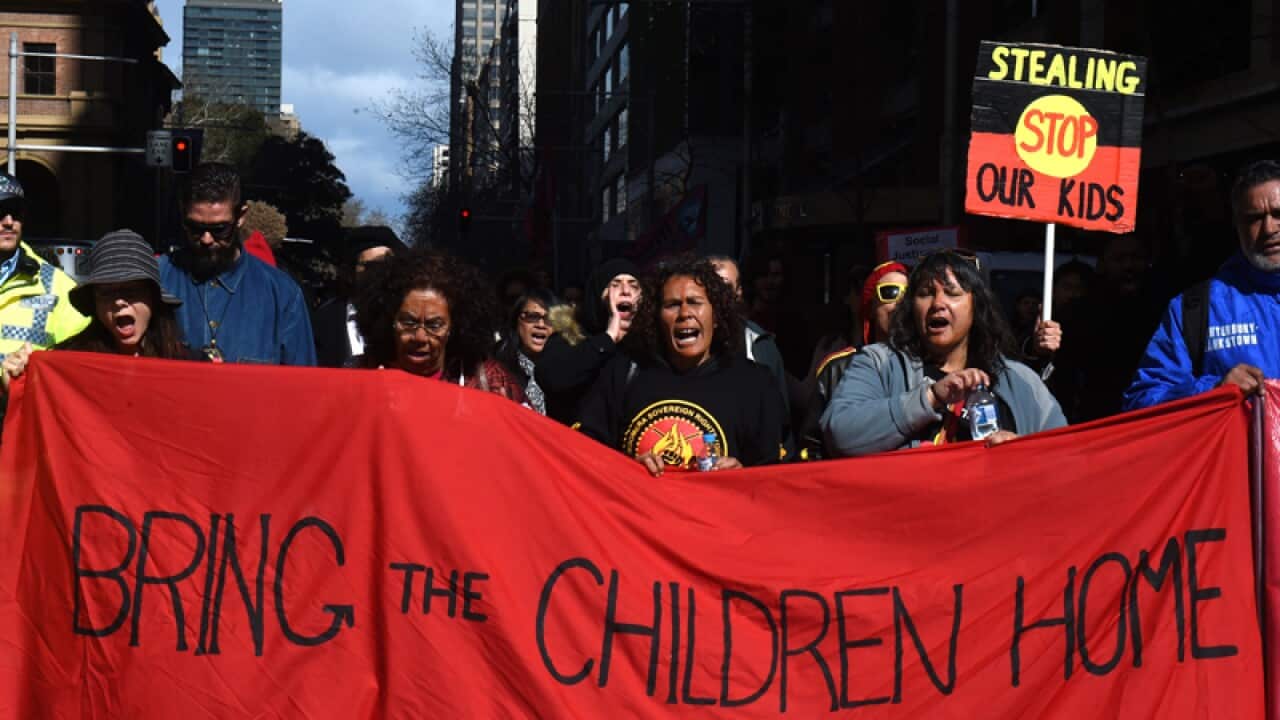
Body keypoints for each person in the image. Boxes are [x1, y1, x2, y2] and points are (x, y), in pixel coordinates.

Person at [821, 250, 1066, 456]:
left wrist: (1022, 451)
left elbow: (1063, 457)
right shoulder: (878, 362)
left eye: (952, 293)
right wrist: (929, 398)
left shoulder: (1020, 380)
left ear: (976, 306)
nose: (938, 303)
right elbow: (840, 433)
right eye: (926, 293)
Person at [577, 256, 785, 476]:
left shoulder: (754, 384)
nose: (685, 314)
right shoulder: (623, 373)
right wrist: (628, 467)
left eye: (695, 302)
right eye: (672, 305)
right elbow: (586, 456)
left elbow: (772, 481)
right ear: (656, 317)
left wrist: (742, 474)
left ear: (716, 316)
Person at [1124, 160, 1280, 409]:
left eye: (1278, 214)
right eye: (1254, 218)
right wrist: (1215, 390)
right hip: (1238, 449)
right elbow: (1143, 400)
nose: (1269, 228)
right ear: (1237, 225)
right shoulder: (1194, 308)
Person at [160, 162, 316, 365]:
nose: (207, 239)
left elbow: (303, 385)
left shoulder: (283, 294)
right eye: (195, 228)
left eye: (220, 229)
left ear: (241, 217)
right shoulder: (157, 279)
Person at [355, 248, 525, 402]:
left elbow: (531, 432)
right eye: (408, 322)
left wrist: (506, 419)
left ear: (455, 327)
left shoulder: (490, 380)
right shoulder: (361, 374)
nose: (420, 337)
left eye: (434, 325)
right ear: (388, 321)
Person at [800, 261, 908, 458]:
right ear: (871, 306)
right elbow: (813, 445)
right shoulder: (836, 367)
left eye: (908, 295)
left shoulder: (927, 364)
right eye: (890, 292)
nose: (900, 303)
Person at [535, 258, 641, 424]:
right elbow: (552, 378)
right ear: (599, 293)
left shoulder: (648, 345)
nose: (626, 290)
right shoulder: (571, 337)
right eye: (616, 284)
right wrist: (609, 338)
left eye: (634, 285)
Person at [0, 172, 89, 366]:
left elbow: (81, 362)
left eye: (16, 213)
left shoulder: (57, 285)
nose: (8, 222)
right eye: (0, 211)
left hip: (23, 396)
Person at [708, 254, 794, 452]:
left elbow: (781, 429)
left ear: (739, 293)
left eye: (726, 288)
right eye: (711, 287)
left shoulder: (760, 345)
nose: (719, 296)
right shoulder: (680, 345)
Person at [312, 225, 407, 368]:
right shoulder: (325, 319)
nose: (382, 273)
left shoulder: (409, 315)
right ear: (351, 271)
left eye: (388, 265)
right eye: (372, 266)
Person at [496, 288, 559, 415]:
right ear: (516, 321)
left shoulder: (567, 369)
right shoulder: (497, 369)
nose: (541, 324)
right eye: (532, 317)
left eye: (549, 319)